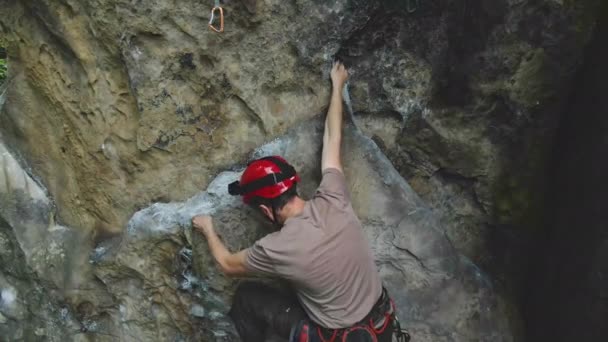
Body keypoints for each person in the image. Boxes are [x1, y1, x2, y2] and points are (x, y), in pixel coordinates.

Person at [192, 62, 407, 342]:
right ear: (294, 184)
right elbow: (333, 139)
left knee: (248, 298)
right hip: (383, 328)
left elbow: (227, 264)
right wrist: (337, 85)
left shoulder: (277, 249)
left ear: (265, 209)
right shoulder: (333, 196)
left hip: (337, 338)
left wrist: (208, 228)